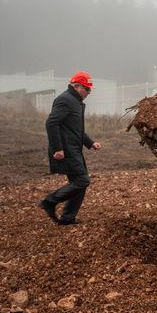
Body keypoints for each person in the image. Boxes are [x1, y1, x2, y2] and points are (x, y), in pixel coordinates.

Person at [40, 71, 102, 225]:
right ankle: (50, 201)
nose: (89, 92)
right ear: (77, 86)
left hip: (74, 149)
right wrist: (57, 149)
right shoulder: (65, 100)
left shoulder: (76, 102)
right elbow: (51, 123)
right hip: (66, 150)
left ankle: (67, 218)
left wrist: (90, 142)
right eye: (87, 89)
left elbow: (75, 128)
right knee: (82, 180)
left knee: (79, 183)